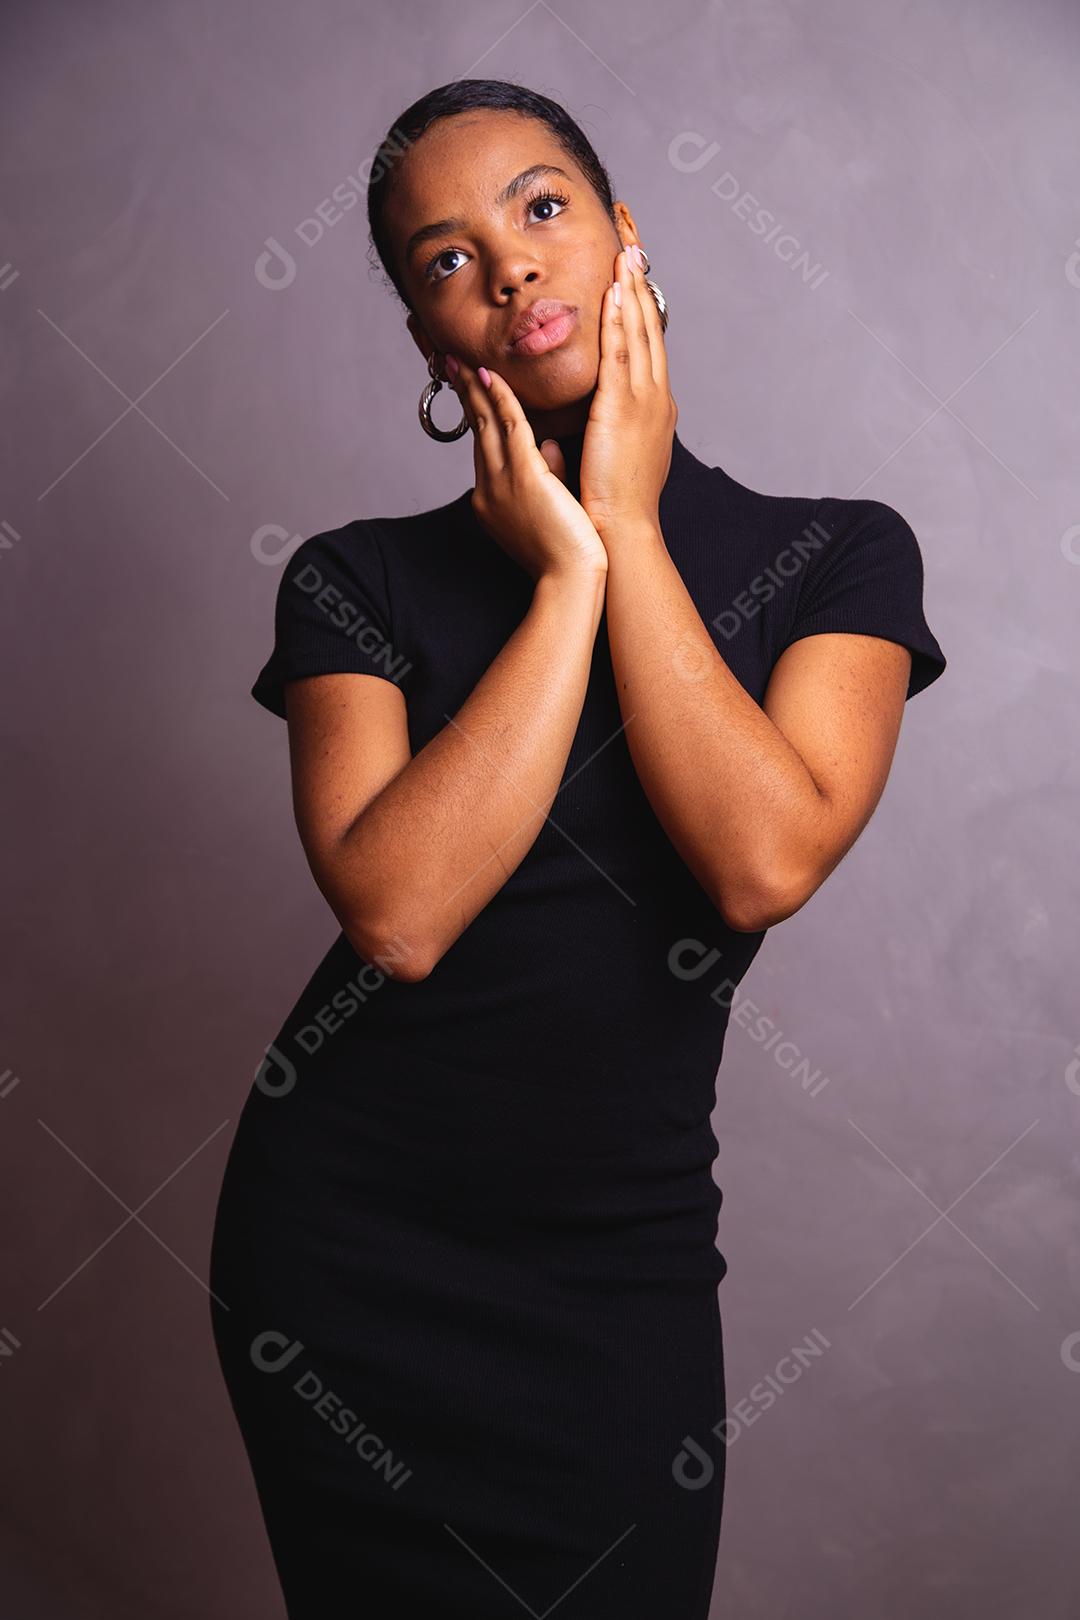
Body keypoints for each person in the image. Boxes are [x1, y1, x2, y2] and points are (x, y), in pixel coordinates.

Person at [208, 78, 947, 1619]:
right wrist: (563, 581)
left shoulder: (838, 555)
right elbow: (401, 914)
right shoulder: (354, 585)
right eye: (445, 259)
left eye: (542, 211)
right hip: (348, 1255)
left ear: (627, 239)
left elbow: (762, 861)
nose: (509, 268)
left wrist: (629, 527)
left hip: (620, 1262)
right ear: (429, 340)